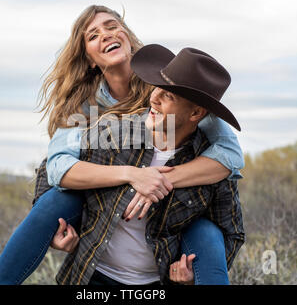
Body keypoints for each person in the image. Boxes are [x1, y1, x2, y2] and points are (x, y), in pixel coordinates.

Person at [0, 5, 244, 285]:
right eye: (93, 35)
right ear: (89, 59)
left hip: (160, 248)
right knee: (58, 200)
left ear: (127, 36)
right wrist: (132, 176)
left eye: (111, 26)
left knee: (205, 230)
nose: (106, 35)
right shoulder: (85, 109)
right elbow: (55, 168)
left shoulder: (177, 87)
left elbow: (229, 154)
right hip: (101, 226)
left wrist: (162, 180)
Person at [52, 43, 245, 285]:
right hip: (91, 277)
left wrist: (197, 273)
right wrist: (54, 231)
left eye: (168, 95)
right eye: (156, 88)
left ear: (195, 114)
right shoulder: (115, 132)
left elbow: (232, 233)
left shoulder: (211, 166)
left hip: (156, 284)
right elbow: (50, 172)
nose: (153, 98)